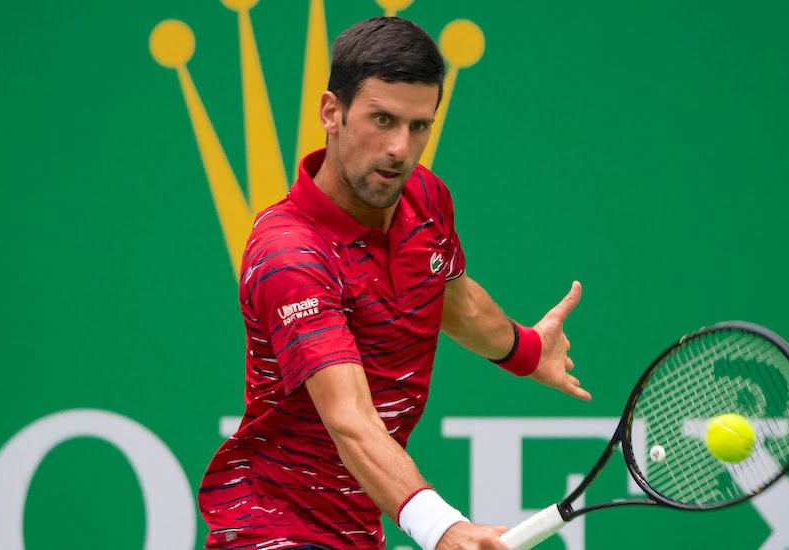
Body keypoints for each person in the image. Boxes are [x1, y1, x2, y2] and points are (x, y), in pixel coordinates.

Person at [198, 16, 591, 550]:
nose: (400, 149)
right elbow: (351, 418)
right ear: (330, 112)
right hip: (273, 528)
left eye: (418, 126)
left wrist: (525, 350)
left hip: (357, 529)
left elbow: (451, 297)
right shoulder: (291, 252)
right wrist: (442, 527)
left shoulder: (425, 199)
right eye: (382, 119)